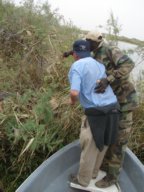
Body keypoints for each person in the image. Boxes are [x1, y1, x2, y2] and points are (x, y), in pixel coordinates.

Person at [85, 30, 138, 188]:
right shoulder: (93, 54)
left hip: (124, 102)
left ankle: (112, 177)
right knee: (107, 135)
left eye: (90, 42)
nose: (87, 44)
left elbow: (129, 63)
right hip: (109, 104)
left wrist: (109, 79)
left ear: (98, 41)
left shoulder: (110, 50)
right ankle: (102, 166)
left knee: (118, 142)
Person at [68, 39, 120, 189]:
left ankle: (83, 181)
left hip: (96, 113)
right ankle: (94, 174)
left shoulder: (77, 65)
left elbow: (74, 92)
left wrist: (72, 101)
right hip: (113, 108)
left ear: (75, 54)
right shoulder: (99, 64)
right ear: (89, 52)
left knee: (89, 146)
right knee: (102, 144)